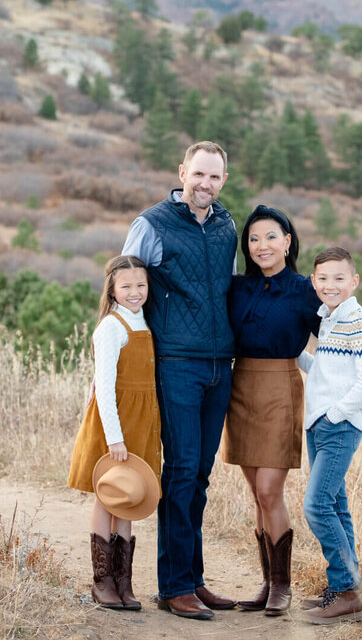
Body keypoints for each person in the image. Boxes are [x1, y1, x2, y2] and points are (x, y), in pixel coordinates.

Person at [122, 140, 238, 621]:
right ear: (181, 172)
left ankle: (193, 579)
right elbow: (124, 285)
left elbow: (228, 288)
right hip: (175, 362)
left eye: (214, 177)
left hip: (219, 365)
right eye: (198, 174)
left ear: (222, 181)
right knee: (183, 469)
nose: (205, 184)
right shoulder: (151, 224)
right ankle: (172, 587)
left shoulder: (229, 226)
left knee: (202, 476)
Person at [223, 205, 320, 617]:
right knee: (255, 494)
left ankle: (283, 585)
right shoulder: (236, 287)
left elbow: (334, 339)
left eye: (270, 237)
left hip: (282, 387)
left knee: (269, 490)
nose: (262, 245)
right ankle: (266, 583)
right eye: (254, 239)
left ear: (288, 241)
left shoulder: (305, 290)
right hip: (240, 387)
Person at [67, 255, 161, 611]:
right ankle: (102, 581)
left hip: (140, 422)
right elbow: (104, 388)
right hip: (116, 425)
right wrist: (115, 438)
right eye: (126, 286)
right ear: (112, 289)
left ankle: (125, 582)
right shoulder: (112, 327)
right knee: (108, 497)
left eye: (141, 285)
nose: (135, 292)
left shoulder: (144, 321)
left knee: (129, 498)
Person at [297, 247, 362, 625]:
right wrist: (296, 353)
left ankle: (346, 591)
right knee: (336, 505)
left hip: (339, 426)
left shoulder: (358, 323)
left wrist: (334, 415)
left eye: (339, 278)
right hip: (320, 424)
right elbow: (328, 372)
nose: (331, 285)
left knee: (316, 506)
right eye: (323, 279)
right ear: (314, 282)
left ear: (354, 281)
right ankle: (347, 589)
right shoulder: (330, 320)